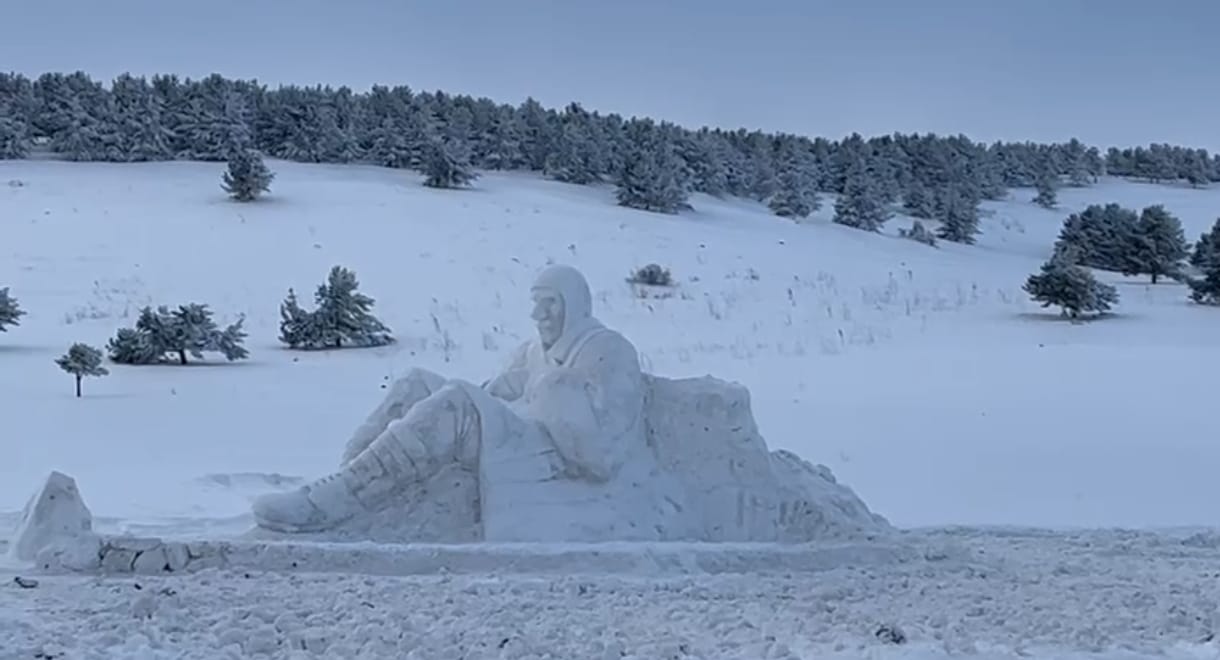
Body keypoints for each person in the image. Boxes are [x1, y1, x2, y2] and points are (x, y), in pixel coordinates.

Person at [251, 264, 661, 538]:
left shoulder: (608, 350)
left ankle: (333, 501)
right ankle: (347, 487)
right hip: (514, 434)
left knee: (459, 403)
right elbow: (498, 388)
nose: (539, 313)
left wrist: (556, 393)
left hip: (541, 456)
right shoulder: (534, 350)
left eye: (550, 302)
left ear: (575, 305)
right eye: (536, 302)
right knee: (417, 383)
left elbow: (604, 455)